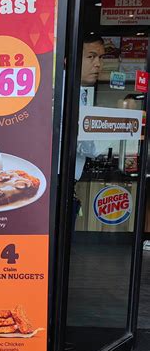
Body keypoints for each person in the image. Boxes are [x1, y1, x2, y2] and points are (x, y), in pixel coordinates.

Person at [73, 34, 105, 225]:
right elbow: (84, 144)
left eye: (101, 57)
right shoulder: (64, 94)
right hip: (57, 181)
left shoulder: (81, 94)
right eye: (91, 57)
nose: (98, 64)